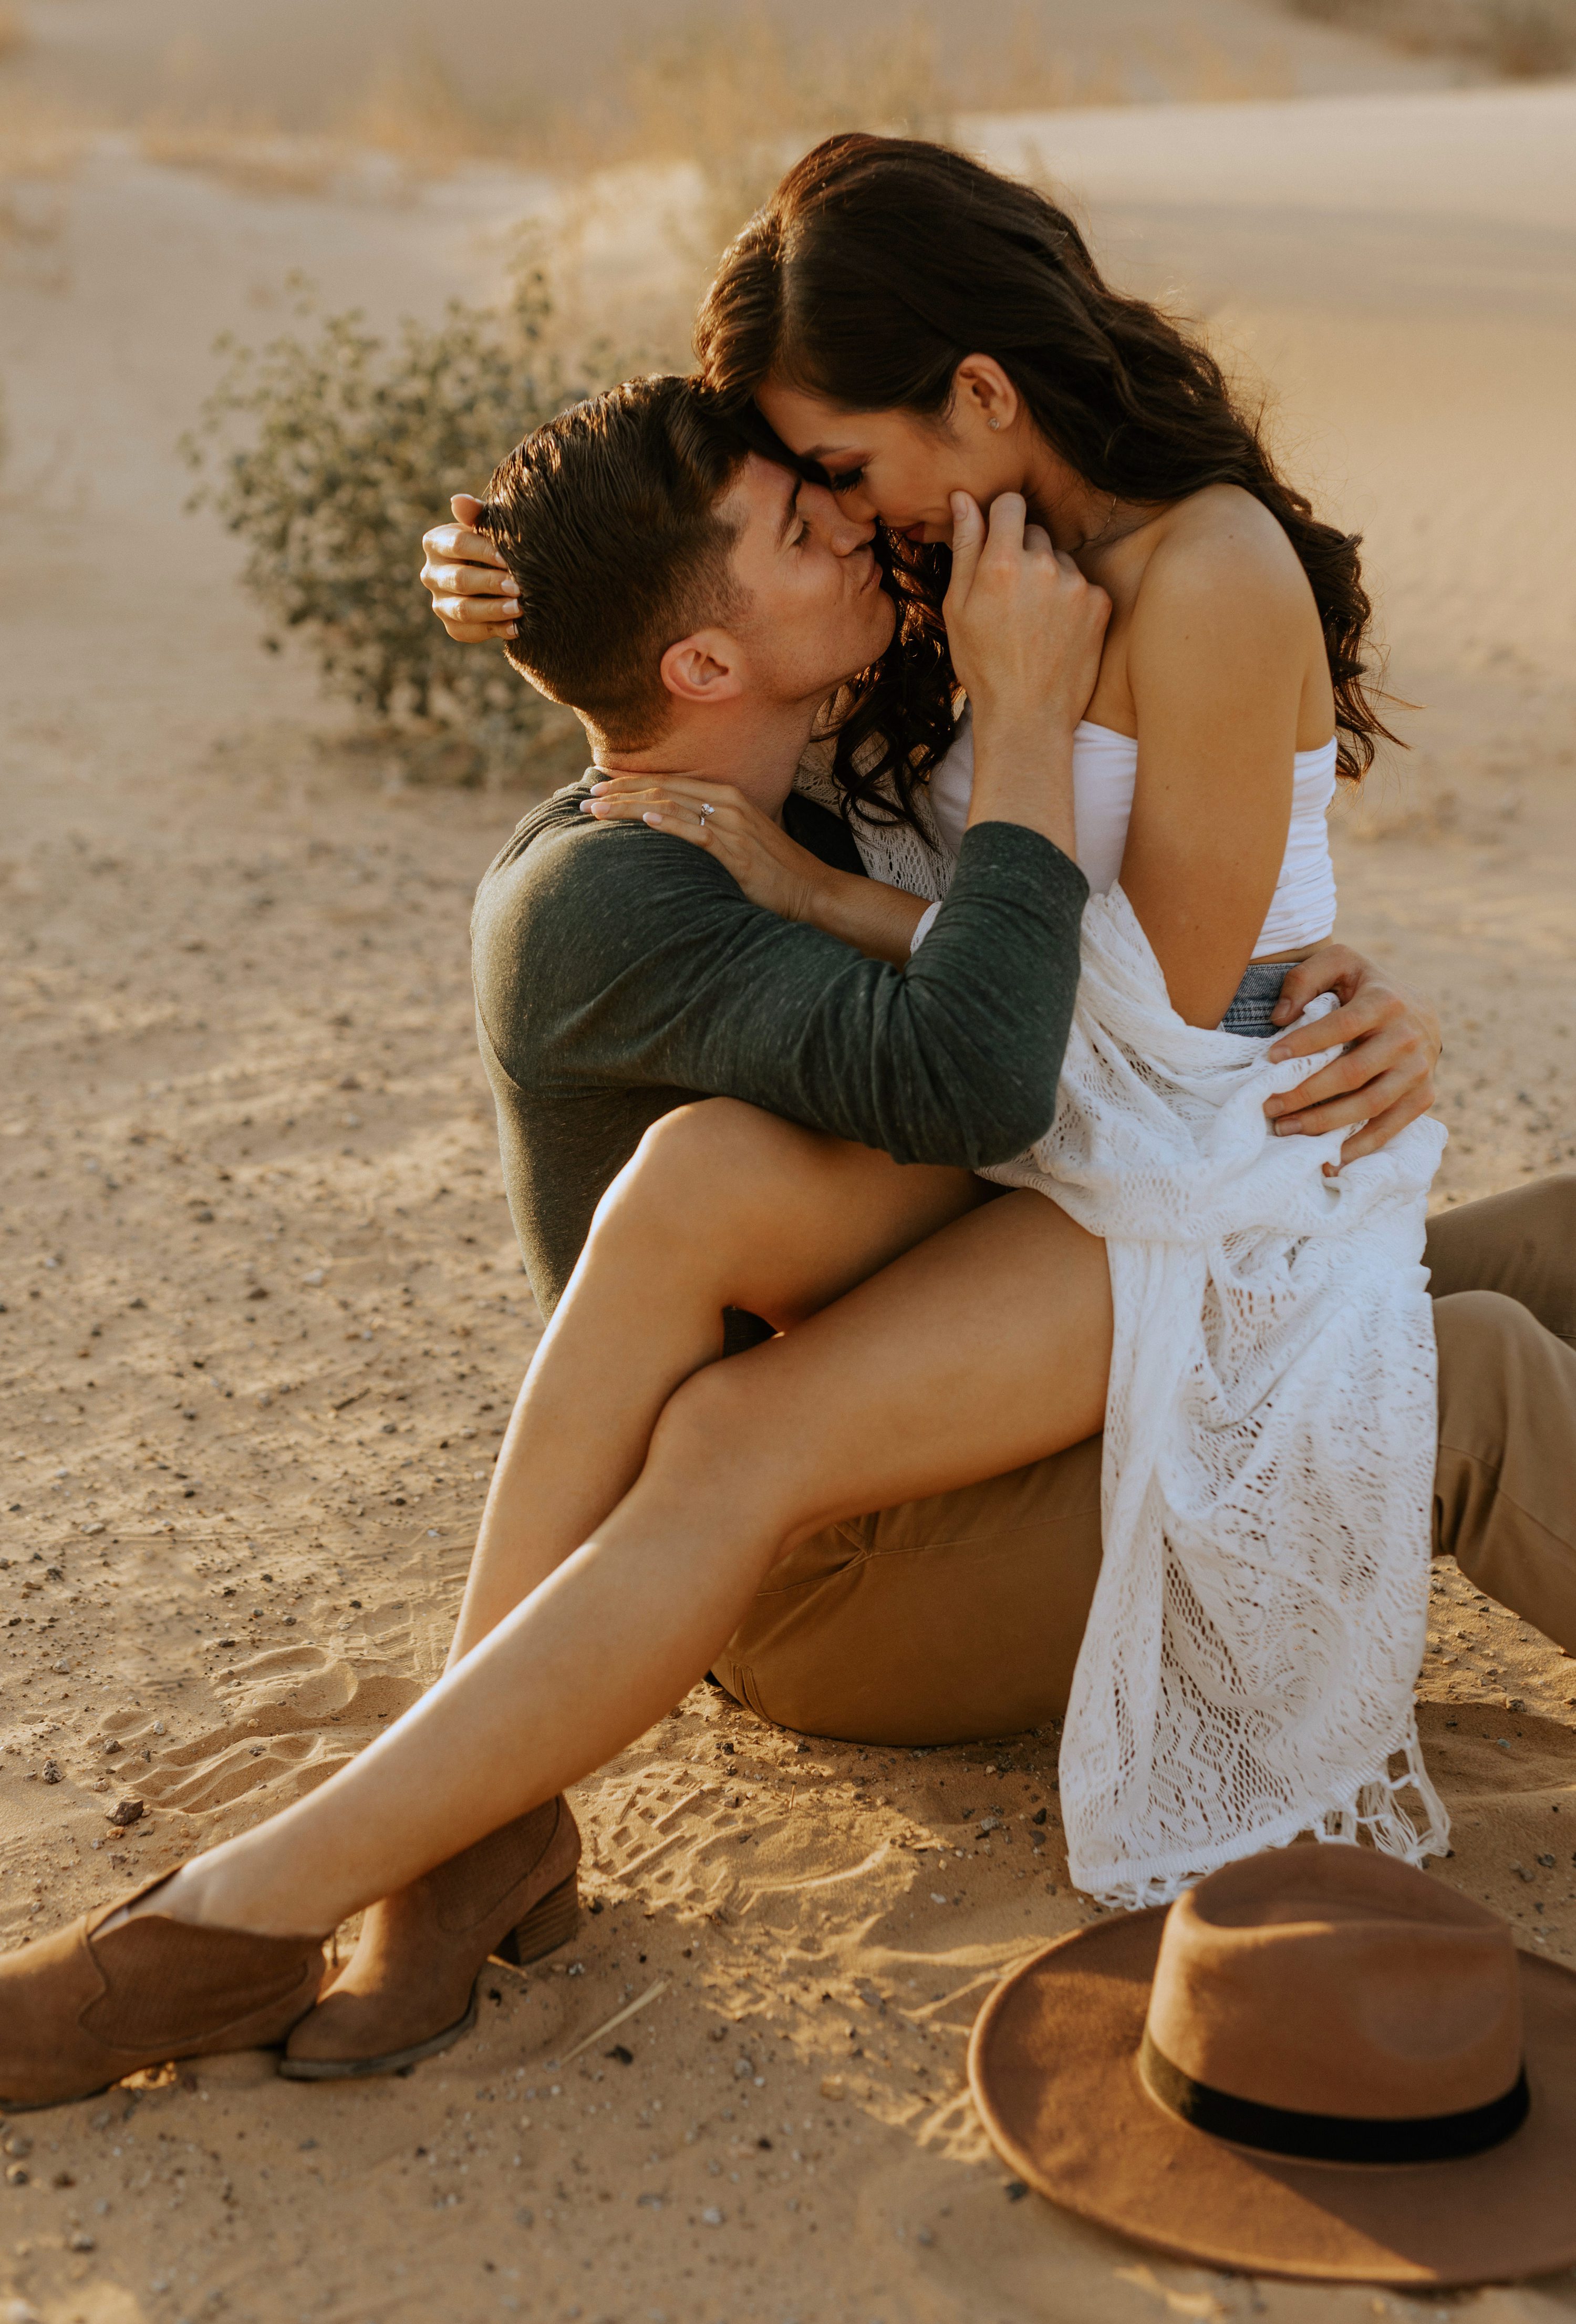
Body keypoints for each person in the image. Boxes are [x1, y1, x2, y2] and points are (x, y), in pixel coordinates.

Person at [4, 172, 1573, 2111]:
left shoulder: (1200, 570)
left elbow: (1165, 1013)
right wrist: (527, 570)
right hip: (1065, 1153)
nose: (835, 504)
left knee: (1459, 1331)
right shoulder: (960, 544)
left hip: (1166, 1145)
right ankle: (401, 1847)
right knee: (700, 1204)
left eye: (841, 461)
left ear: (980, 395)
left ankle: (259, 1902)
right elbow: (704, 590)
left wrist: (862, 887)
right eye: (801, 482)